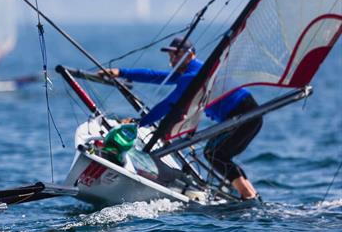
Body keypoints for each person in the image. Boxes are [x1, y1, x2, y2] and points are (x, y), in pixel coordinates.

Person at [101, 37, 261, 200]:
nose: (172, 58)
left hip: (244, 114)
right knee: (218, 154)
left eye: (176, 54)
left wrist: (139, 123)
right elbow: (156, 76)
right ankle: (250, 194)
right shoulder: (195, 71)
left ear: (189, 55)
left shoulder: (192, 76)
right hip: (249, 113)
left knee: (214, 153)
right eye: (171, 55)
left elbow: (168, 104)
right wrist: (121, 72)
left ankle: (247, 195)